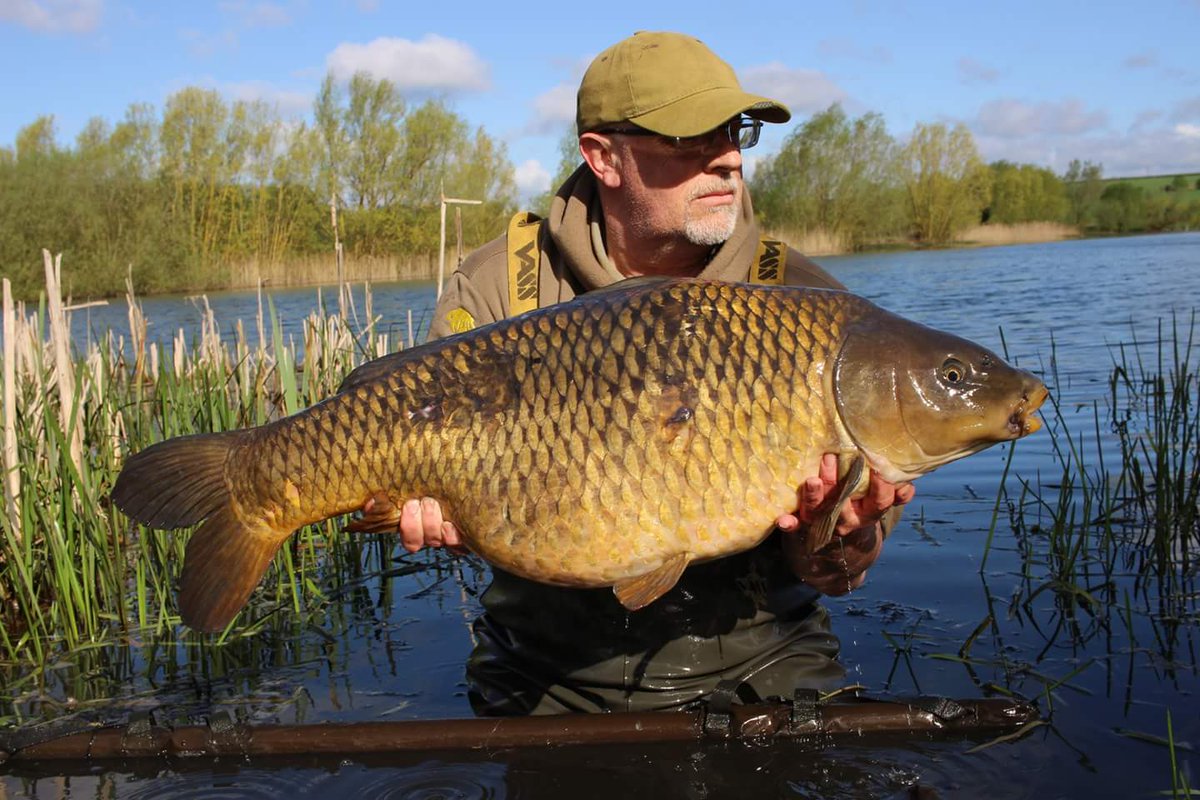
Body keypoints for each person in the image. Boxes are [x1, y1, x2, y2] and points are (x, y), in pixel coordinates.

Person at [377, 31, 914, 715]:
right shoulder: (498, 288)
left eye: (735, 131)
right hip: (546, 672)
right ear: (604, 157)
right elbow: (423, 460)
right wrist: (438, 510)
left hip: (767, 657)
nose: (726, 158)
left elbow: (836, 575)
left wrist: (843, 541)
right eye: (691, 139)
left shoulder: (813, 313)